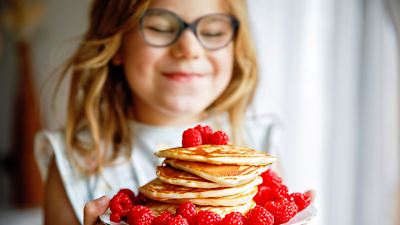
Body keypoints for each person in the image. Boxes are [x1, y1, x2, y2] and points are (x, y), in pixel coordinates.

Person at [34, 0, 283, 224]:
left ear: (236, 48)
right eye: (161, 28)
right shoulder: (73, 162)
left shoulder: (258, 153)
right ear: (117, 41)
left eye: (212, 32)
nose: (189, 48)